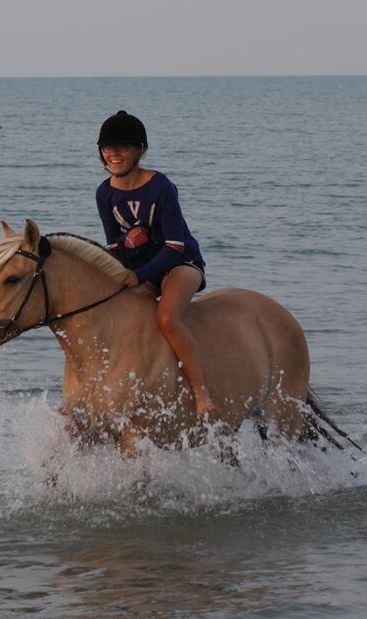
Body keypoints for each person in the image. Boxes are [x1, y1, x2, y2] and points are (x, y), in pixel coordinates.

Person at [95, 110, 218, 421]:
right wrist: (122, 268)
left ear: (139, 150)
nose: (113, 154)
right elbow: (113, 245)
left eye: (122, 147)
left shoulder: (162, 187)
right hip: (140, 270)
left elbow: (175, 244)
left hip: (180, 264)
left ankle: (201, 392)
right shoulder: (104, 193)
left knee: (166, 317)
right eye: (108, 148)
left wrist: (139, 276)